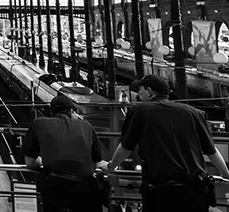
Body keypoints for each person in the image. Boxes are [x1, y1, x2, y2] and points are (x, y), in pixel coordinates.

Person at [101, 74, 229, 212]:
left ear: (149, 91)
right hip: (196, 189)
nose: (138, 94)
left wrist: (111, 166)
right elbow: (211, 150)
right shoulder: (193, 112)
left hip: (161, 191)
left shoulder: (140, 110)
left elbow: (125, 147)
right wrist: (226, 173)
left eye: (140, 90)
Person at [21, 94, 104, 212]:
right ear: (71, 111)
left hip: (53, 186)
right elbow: (95, 163)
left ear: (51, 112)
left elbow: (29, 162)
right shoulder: (86, 126)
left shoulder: (38, 123)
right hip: (83, 187)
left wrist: (44, 160)